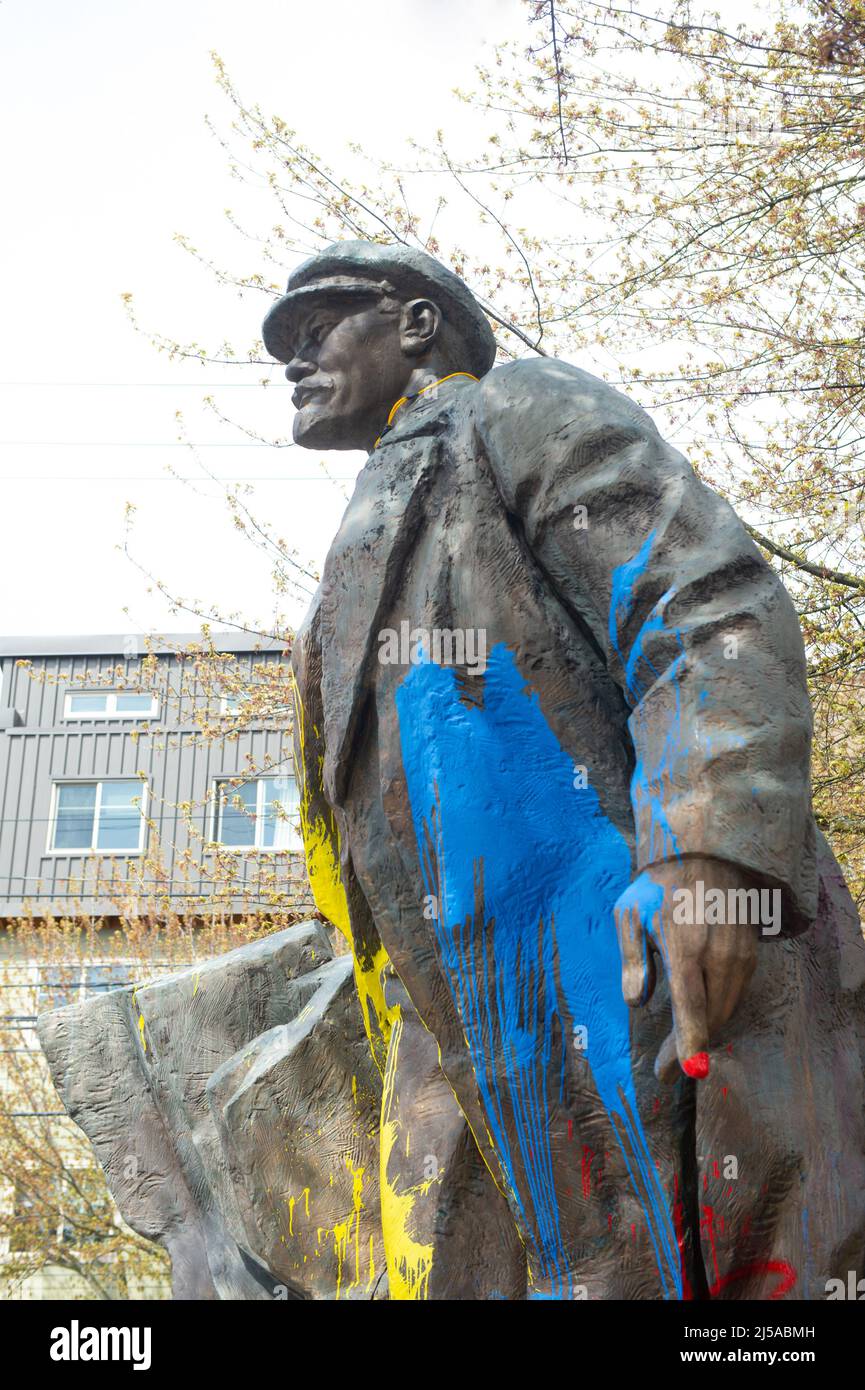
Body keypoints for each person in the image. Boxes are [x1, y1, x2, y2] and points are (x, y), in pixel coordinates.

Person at [264, 240, 865, 1300]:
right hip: (463, 1016)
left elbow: (696, 600)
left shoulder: (511, 413)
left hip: (618, 943)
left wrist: (710, 845)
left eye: (318, 328)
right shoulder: (342, 563)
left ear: (417, 325)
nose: (293, 360)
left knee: (720, 1261)